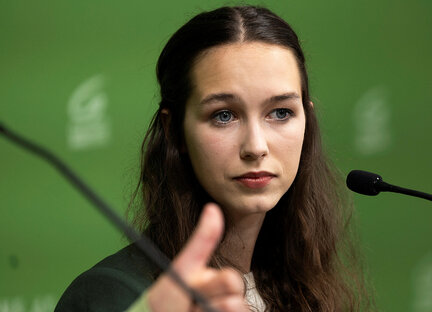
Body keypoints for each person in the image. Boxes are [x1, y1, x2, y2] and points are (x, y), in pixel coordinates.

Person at [55, 5, 369, 312]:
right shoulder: (113, 295)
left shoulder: (306, 284)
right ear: (174, 130)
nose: (256, 147)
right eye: (223, 115)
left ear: (307, 121)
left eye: (281, 112)